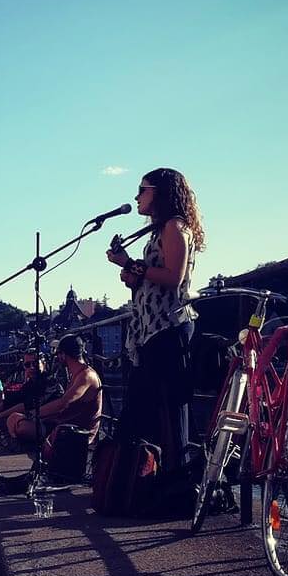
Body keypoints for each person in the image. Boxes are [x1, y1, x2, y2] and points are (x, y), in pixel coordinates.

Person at [106, 167, 205, 470]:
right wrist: (132, 274)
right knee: (149, 409)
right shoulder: (161, 229)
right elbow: (151, 280)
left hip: (168, 328)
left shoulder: (175, 227)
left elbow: (174, 278)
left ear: (159, 192)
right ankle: (150, 478)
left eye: (142, 189)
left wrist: (131, 264)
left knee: (169, 410)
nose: (136, 196)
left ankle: (175, 482)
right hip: (152, 330)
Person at [7, 334, 102, 443]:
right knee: (14, 418)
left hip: (77, 433)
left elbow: (63, 403)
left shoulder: (86, 376)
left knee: (22, 425)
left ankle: (22, 441)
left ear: (63, 355)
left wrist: (32, 414)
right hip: (64, 426)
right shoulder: (78, 374)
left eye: (58, 354)